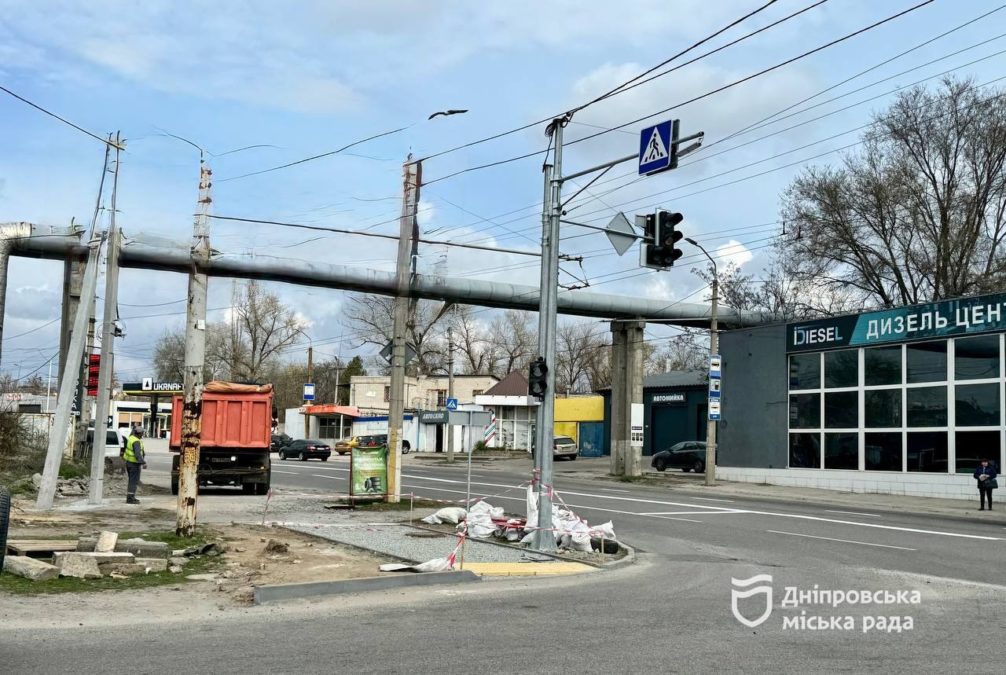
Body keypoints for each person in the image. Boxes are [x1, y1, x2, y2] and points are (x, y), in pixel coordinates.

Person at [122, 426, 147, 504]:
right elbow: (137, 454)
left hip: (129, 463)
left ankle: (130, 497)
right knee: (133, 481)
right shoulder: (136, 441)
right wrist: (143, 463)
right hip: (134, 464)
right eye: (142, 433)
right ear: (139, 433)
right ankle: (130, 498)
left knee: (131, 480)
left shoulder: (131, 438)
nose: (143, 434)